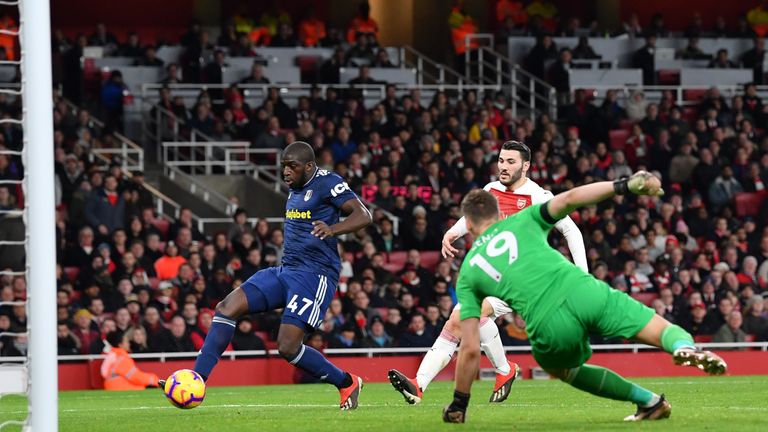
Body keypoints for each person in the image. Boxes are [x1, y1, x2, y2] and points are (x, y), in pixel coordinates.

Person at [442, 172, 727, 424]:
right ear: (498, 212)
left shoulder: (468, 272)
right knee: (659, 328)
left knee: (564, 369)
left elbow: (469, 349)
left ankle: (649, 401)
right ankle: (683, 346)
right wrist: (625, 185)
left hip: (547, 322)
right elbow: (572, 198)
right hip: (584, 290)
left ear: (468, 223)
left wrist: (459, 403)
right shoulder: (524, 219)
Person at [170, 141, 372, 410]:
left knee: (288, 347)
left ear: (309, 166)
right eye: (283, 167)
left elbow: (364, 215)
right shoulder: (296, 187)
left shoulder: (328, 183)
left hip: (314, 276)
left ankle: (346, 382)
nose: (286, 172)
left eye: (292, 167)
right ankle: (196, 380)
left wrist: (333, 229)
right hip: (285, 270)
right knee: (226, 308)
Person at [388, 141, 587, 405]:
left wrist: (582, 273)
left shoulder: (538, 196)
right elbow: (472, 217)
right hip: (493, 274)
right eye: (501, 160)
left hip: (525, 278)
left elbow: (571, 230)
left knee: (470, 316)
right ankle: (422, 384)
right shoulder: (491, 190)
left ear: (526, 166)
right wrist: (453, 232)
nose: (503, 166)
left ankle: (499, 371)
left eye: (511, 162)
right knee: (456, 322)